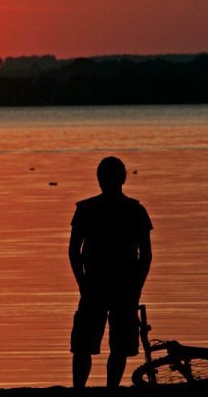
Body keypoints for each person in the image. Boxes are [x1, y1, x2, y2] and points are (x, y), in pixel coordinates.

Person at [69, 156, 153, 388]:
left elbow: (73, 251)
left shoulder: (87, 210)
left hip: (99, 284)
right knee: (110, 345)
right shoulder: (135, 210)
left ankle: (81, 389)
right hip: (117, 285)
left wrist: (82, 282)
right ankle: (111, 389)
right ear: (123, 179)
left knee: (89, 344)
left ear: (99, 179)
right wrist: (137, 286)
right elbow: (146, 255)